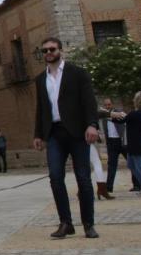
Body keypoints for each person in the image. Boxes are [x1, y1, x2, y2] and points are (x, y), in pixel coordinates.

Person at [33, 37, 99, 239]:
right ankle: (65, 223)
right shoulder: (40, 79)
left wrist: (92, 124)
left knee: (83, 179)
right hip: (54, 133)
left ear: (61, 50)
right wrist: (38, 134)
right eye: (44, 51)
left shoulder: (77, 73)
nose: (48, 53)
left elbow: (89, 101)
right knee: (55, 177)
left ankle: (88, 224)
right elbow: (41, 108)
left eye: (52, 49)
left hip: (77, 132)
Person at [98, 98, 140, 193]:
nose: (108, 106)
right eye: (106, 105)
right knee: (111, 165)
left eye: (109, 104)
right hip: (111, 143)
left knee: (131, 163)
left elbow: (123, 120)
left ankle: (137, 185)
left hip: (122, 142)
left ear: (112, 104)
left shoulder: (119, 112)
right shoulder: (104, 116)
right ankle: (109, 187)